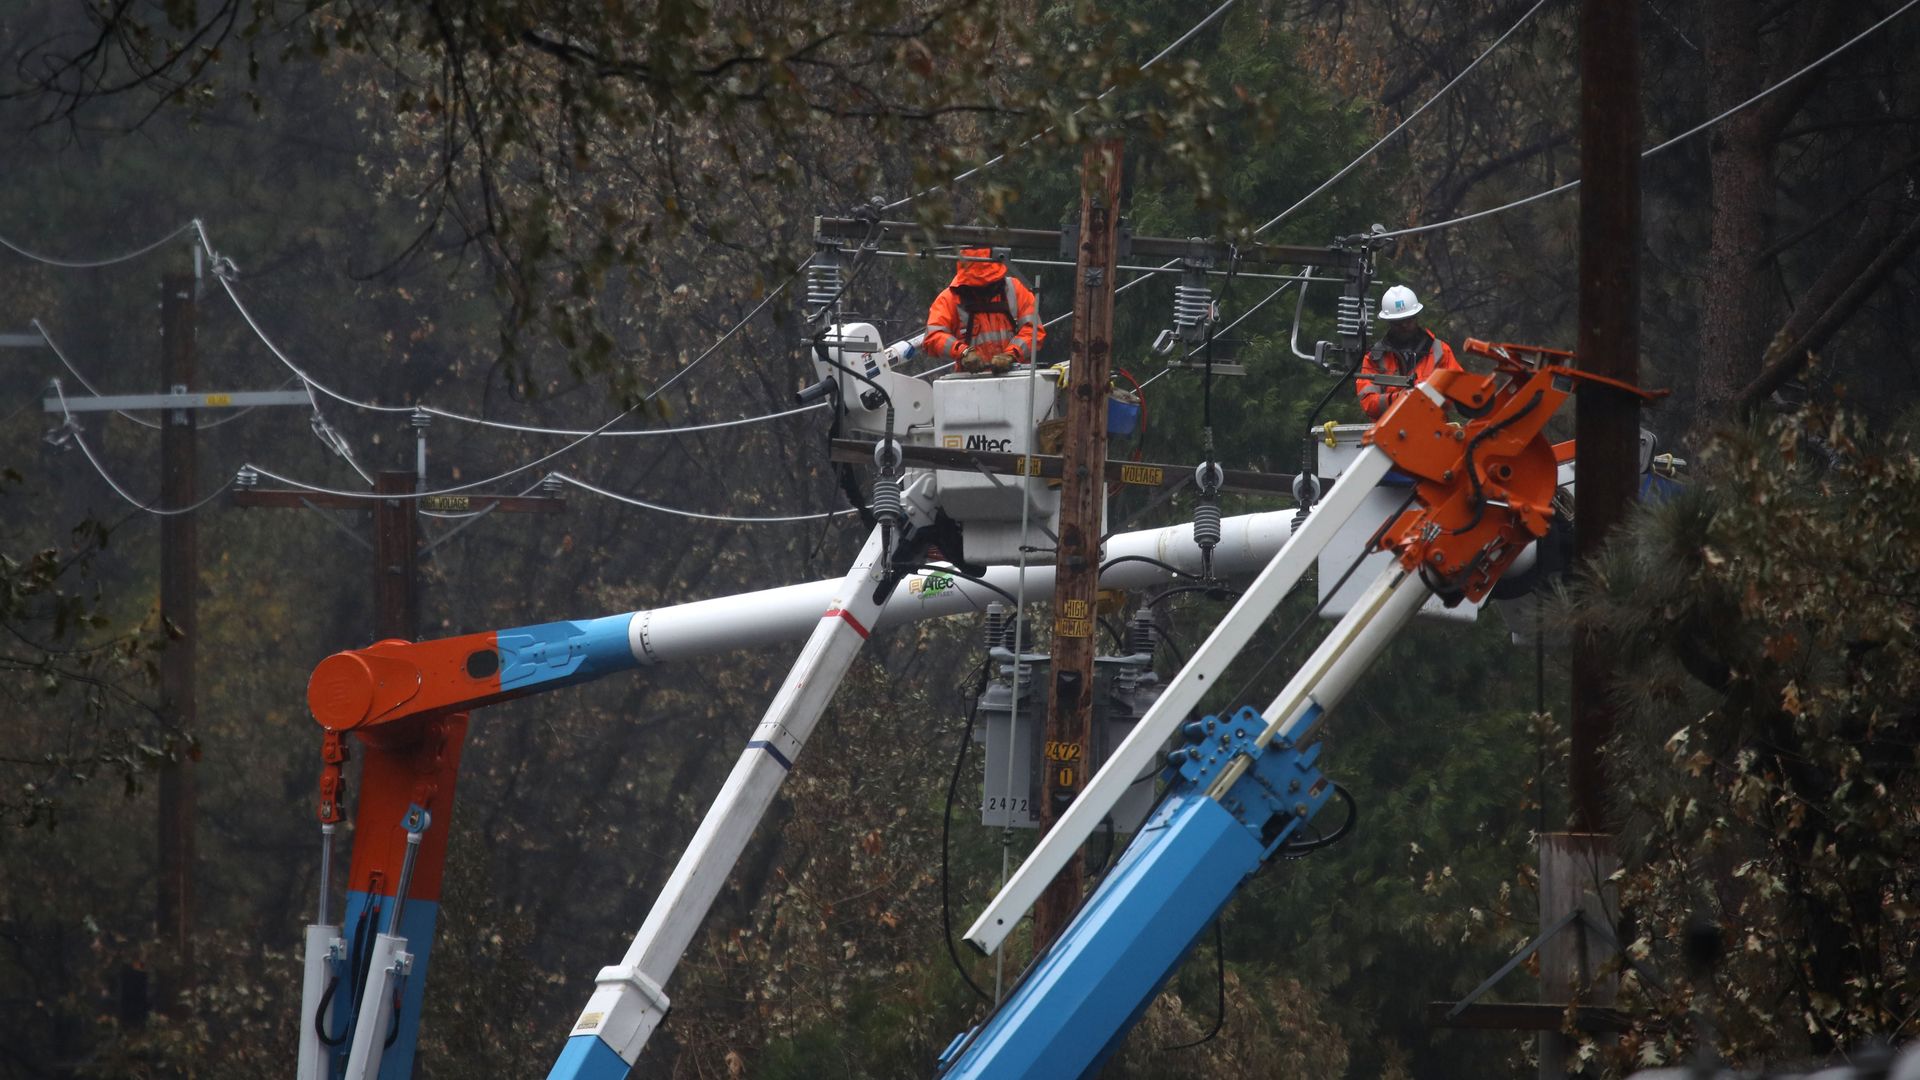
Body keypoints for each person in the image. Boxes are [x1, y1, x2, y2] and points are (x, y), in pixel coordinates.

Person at [922, 248, 1045, 373]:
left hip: (1016, 377)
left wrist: (1010, 355)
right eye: (977, 286)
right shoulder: (950, 299)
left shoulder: (1015, 289)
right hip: (970, 382)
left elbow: (1033, 331)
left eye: (988, 284)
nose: (983, 289)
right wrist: (963, 352)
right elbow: (933, 337)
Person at [1354, 284, 1462, 419]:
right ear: (1389, 322)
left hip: (1432, 432)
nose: (1404, 326)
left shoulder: (1439, 351)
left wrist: (1423, 394)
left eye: (1408, 320)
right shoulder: (1375, 358)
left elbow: (1457, 394)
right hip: (1389, 434)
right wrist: (1399, 398)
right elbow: (1369, 404)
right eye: (1398, 322)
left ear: (1416, 317)